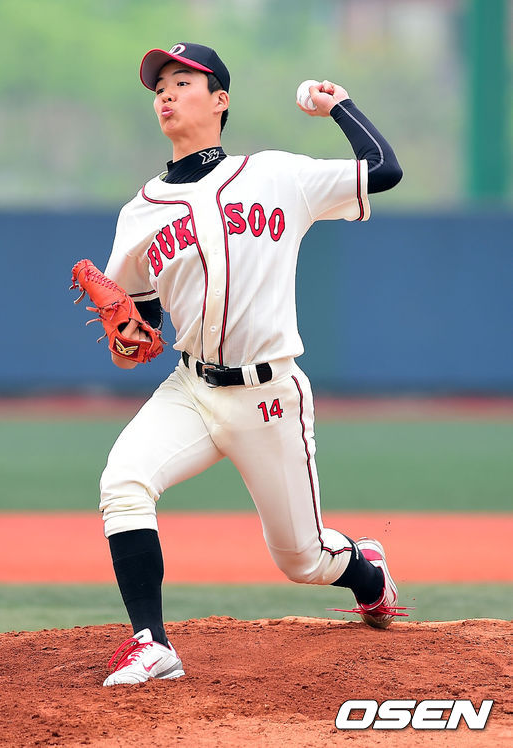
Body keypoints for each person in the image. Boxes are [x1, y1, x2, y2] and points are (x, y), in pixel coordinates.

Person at [98, 42, 404, 686]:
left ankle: (366, 570)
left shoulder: (273, 175)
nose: (167, 92)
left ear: (221, 100)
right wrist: (128, 341)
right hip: (190, 388)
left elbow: (383, 170)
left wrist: (341, 106)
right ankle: (152, 643)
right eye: (160, 85)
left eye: (183, 81)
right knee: (123, 482)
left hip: (268, 396)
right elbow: (142, 325)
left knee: (302, 560)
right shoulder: (140, 213)